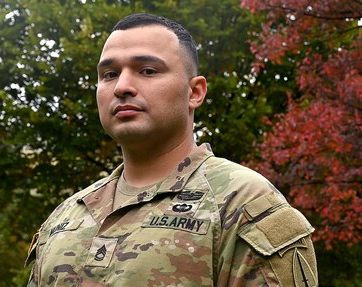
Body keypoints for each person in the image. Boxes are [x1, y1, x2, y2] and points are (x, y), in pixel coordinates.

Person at [25, 13, 318, 287]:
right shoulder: (64, 219)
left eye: (148, 70)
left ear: (195, 92)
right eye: (110, 74)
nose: (122, 86)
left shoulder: (244, 206)